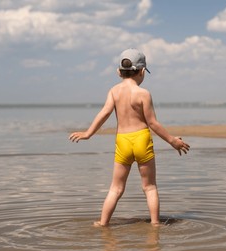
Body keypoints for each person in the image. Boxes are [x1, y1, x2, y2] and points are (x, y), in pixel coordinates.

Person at [69, 48, 190, 226]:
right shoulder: (143, 94)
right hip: (141, 139)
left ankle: (103, 223)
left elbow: (104, 113)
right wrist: (173, 141)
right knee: (149, 187)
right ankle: (155, 224)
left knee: (116, 188)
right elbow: (153, 123)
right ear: (142, 71)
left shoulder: (114, 91)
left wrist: (88, 134)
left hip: (123, 141)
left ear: (119, 72)